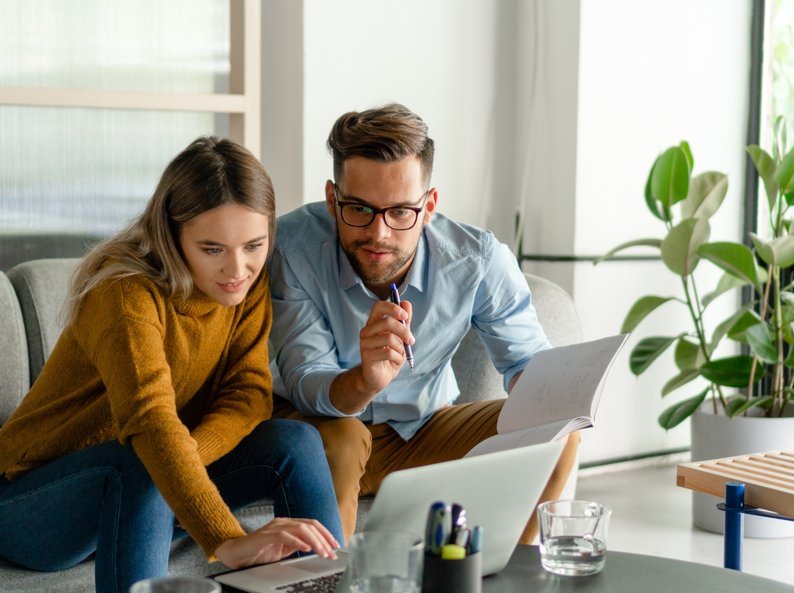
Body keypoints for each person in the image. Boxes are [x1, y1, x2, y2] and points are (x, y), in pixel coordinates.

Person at [0, 137, 343, 593]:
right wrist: (226, 538)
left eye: (254, 245)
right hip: (36, 504)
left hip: (146, 490)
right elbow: (152, 423)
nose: (237, 268)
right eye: (212, 249)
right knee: (143, 458)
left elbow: (249, 393)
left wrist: (185, 464)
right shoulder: (124, 293)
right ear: (171, 235)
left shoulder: (244, 287)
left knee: (294, 439)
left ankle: (333, 586)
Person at [268, 103, 580, 541]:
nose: (379, 234)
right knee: (342, 441)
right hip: (321, 426)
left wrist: (555, 394)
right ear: (332, 199)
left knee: (557, 435)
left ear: (429, 205)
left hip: (421, 429)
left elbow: (529, 363)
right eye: (358, 209)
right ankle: (327, 585)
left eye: (400, 212)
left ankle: (511, 577)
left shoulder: (477, 259)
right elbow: (305, 380)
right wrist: (366, 379)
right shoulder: (292, 248)